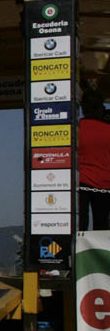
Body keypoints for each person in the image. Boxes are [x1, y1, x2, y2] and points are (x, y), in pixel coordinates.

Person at [77, 88, 110, 230]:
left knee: (80, 224)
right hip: (105, 184)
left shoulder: (75, 129)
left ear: (83, 109)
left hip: (80, 182)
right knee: (101, 225)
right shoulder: (107, 130)